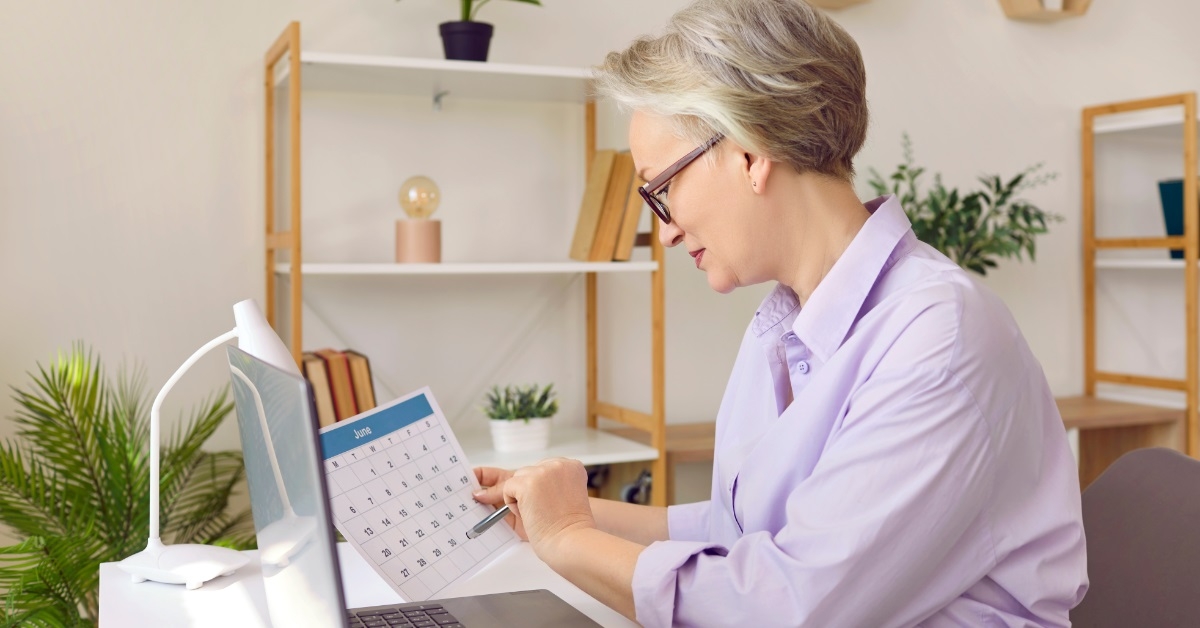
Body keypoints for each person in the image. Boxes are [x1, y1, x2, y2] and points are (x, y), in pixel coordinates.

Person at [472, 0, 1088, 625]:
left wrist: (568, 536)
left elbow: (785, 607)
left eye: (661, 189)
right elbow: (733, 527)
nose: (665, 232)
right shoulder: (786, 323)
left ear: (749, 152)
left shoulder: (941, 338)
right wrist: (554, 509)